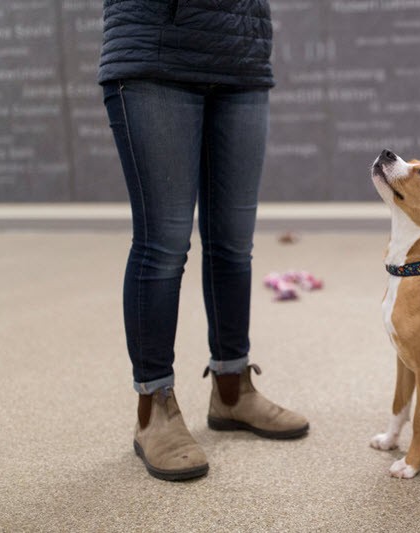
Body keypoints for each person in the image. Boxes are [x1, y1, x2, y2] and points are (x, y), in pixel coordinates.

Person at [99, 0, 308, 481]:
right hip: (155, 53)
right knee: (164, 246)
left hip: (241, 56)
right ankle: (154, 409)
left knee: (234, 243)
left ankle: (232, 390)